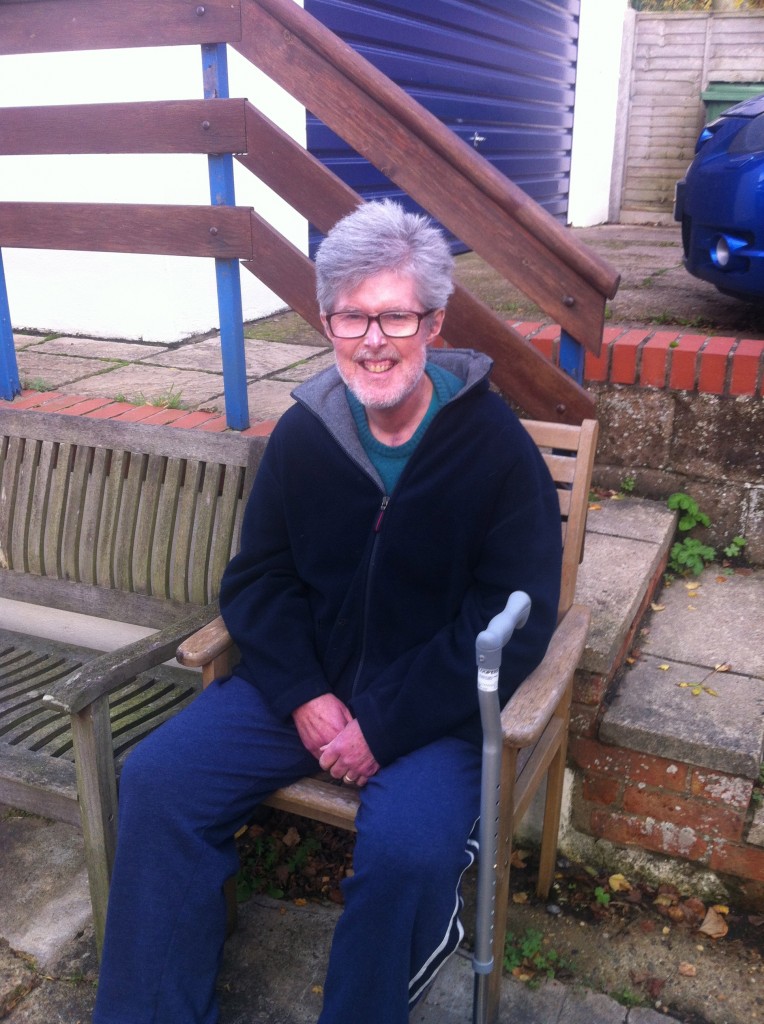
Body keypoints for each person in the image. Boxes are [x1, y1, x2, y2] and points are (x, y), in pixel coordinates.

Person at [92, 199, 562, 1024]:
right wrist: (306, 696)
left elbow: (514, 619)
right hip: (301, 690)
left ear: (434, 322)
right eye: (352, 316)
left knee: (409, 853)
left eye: (394, 315)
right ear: (326, 321)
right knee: (159, 781)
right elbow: (258, 579)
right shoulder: (307, 435)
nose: (373, 339)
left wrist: (379, 725)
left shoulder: (494, 449)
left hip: (431, 712)